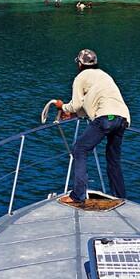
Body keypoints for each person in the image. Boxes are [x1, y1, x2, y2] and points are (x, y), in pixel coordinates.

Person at [51, 49, 130, 207]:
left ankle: (78, 195)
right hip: (122, 118)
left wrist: (63, 107)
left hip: (105, 118)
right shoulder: (104, 75)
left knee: (79, 149)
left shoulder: (80, 77)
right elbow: (93, 101)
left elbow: (76, 104)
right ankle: (120, 197)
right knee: (113, 159)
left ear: (80, 64)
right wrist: (75, 114)